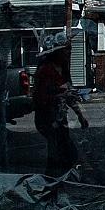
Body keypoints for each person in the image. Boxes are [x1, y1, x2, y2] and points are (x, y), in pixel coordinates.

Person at [33, 31, 88, 177]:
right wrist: (59, 95)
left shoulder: (63, 70)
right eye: (66, 49)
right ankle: (52, 179)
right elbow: (41, 97)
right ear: (57, 52)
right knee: (58, 148)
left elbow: (69, 97)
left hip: (59, 117)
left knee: (66, 149)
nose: (69, 52)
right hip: (48, 117)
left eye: (69, 49)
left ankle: (62, 177)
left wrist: (80, 116)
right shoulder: (46, 70)